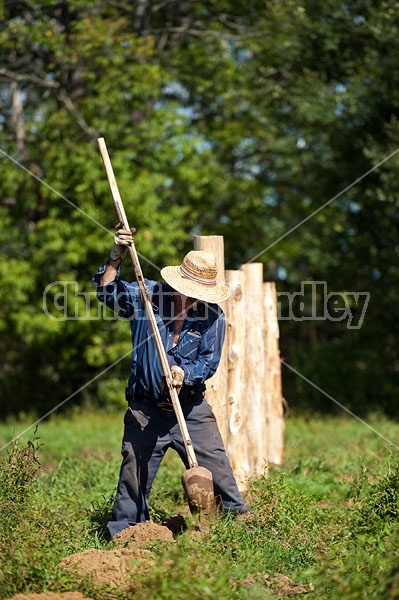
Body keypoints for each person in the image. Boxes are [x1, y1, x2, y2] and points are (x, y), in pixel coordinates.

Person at [93, 225, 251, 538]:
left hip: (191, 409)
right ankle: (127, 536)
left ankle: (237, 530)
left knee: (220, 473)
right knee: (133, 481)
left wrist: (184, 374)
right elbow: (106, 292)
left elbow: (208, 363)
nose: (194, 299)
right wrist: (116, 257)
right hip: (145, 410)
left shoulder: (213, 317)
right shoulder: (147, 295)